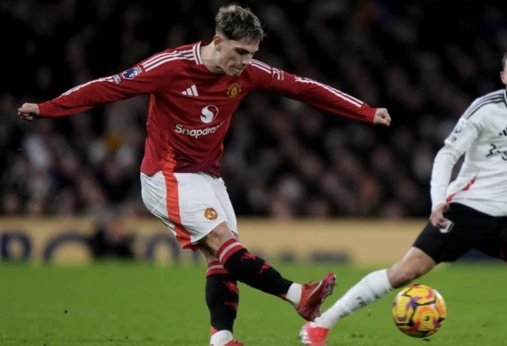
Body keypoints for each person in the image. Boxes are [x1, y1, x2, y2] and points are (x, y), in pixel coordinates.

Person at [17, 4, 392, 346]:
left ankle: (222, 340)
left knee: (223, 257)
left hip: (208, 177)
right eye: (240, 52)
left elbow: (304, 88)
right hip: (168, 174)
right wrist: (48, 108)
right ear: (217, 41)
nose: (246, 62)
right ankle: (299, 296)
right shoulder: (170, 66)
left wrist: (365, 111)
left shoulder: (249, 73)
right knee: (222, 241)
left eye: (252, 54)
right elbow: (109, 88)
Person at [299, 45, 507, 345]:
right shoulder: (485, 109)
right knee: (403, 274)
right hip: (463, 212)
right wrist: (438, 201)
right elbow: (446, 155)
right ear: (503, 76)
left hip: (506, 218)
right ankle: (320, 325)